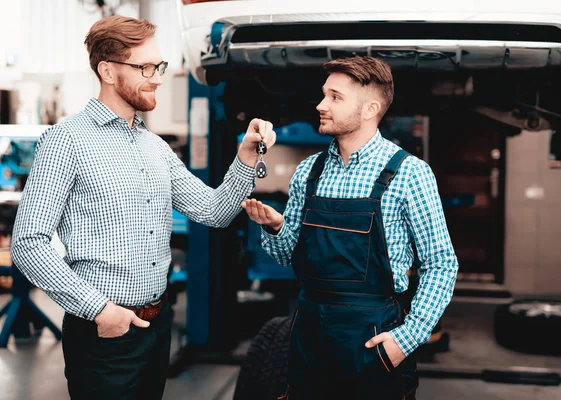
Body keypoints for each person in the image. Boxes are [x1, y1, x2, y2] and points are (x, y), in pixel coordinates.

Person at [10, 15, 275, 400]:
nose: (157, 77)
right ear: (108, 71)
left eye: (159, 66)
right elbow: (28, 243)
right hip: (103, 332)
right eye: (145, 67)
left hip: (156, 326)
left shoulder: (155, 147)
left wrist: (246, 158)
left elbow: (213, 211)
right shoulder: (66, 141)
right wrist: (100, 310)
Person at [242, 56, 459, 399]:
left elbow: (441, 264)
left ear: (370, 108)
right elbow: (287, 255)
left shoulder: (408, 173)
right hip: (309, 335)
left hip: (373, 340)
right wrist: (274, 227)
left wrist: (408, 337)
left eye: (335, 97)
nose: (321, 105)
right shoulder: (308, 172)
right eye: (324, 94)